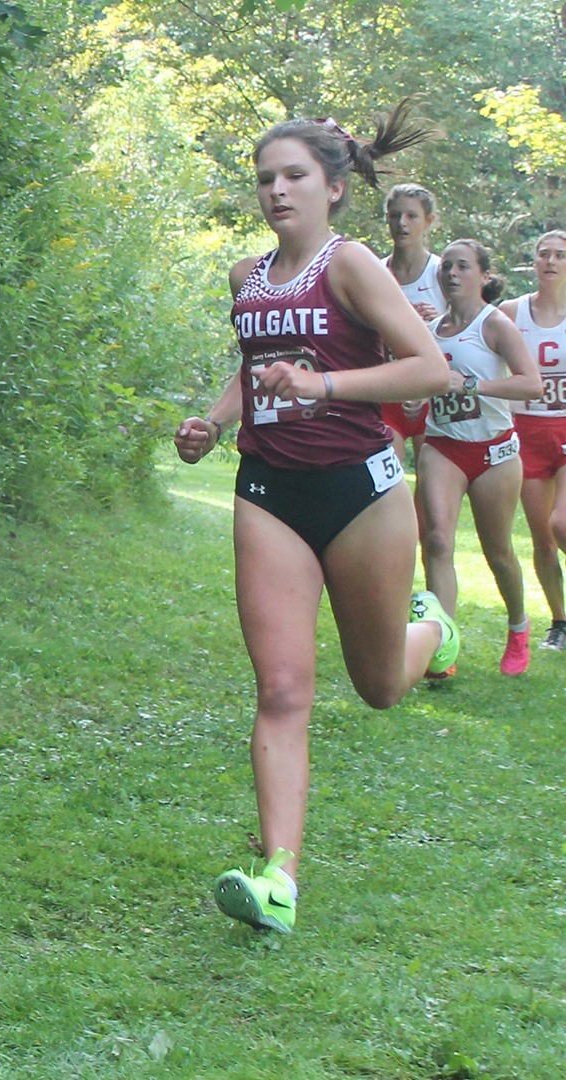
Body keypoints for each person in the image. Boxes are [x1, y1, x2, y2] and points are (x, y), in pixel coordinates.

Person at [173, 107, 455, 935]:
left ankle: (432, 627)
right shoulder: (245, 277)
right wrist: (216, 423)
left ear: (333, 188)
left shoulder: (352, 266)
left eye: (294, 176)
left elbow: (429, 370)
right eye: (265, 178)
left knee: (377, 687)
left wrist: (324, 387)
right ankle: (278, 879)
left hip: (361, 491)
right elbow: (255, 365)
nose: (276, 190)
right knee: (283, 687)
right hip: (269, 490)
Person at [417, 239, 541, 675]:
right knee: (436, 540)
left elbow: (532, 384)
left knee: (499, 551)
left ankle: (518, 627)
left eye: (462, 266)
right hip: (443, 446)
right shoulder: (428, 331)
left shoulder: (495, 325)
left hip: (495, 451)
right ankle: (441, 646)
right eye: (446, 266)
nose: (451, 273)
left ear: (484, 276)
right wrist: (418, 397)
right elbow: (421, 387)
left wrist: (470, 386)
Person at [504, 230, 566, 652]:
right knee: (542, 535)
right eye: (543, 254)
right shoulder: (511, 312)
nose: (551, 261)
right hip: (525, 432)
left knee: (562, 524)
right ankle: (560, 623)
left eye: (560, 255)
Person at [379, 183, 445, 461]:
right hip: (386, 391)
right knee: (387, 480)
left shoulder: (442, 272)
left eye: (411, 216)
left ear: (429, 221)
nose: (401, 224)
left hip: (433, 396)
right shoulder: (375, 273)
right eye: (395, 216)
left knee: (431, 491)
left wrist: (438, 320)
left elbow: (467, 327)